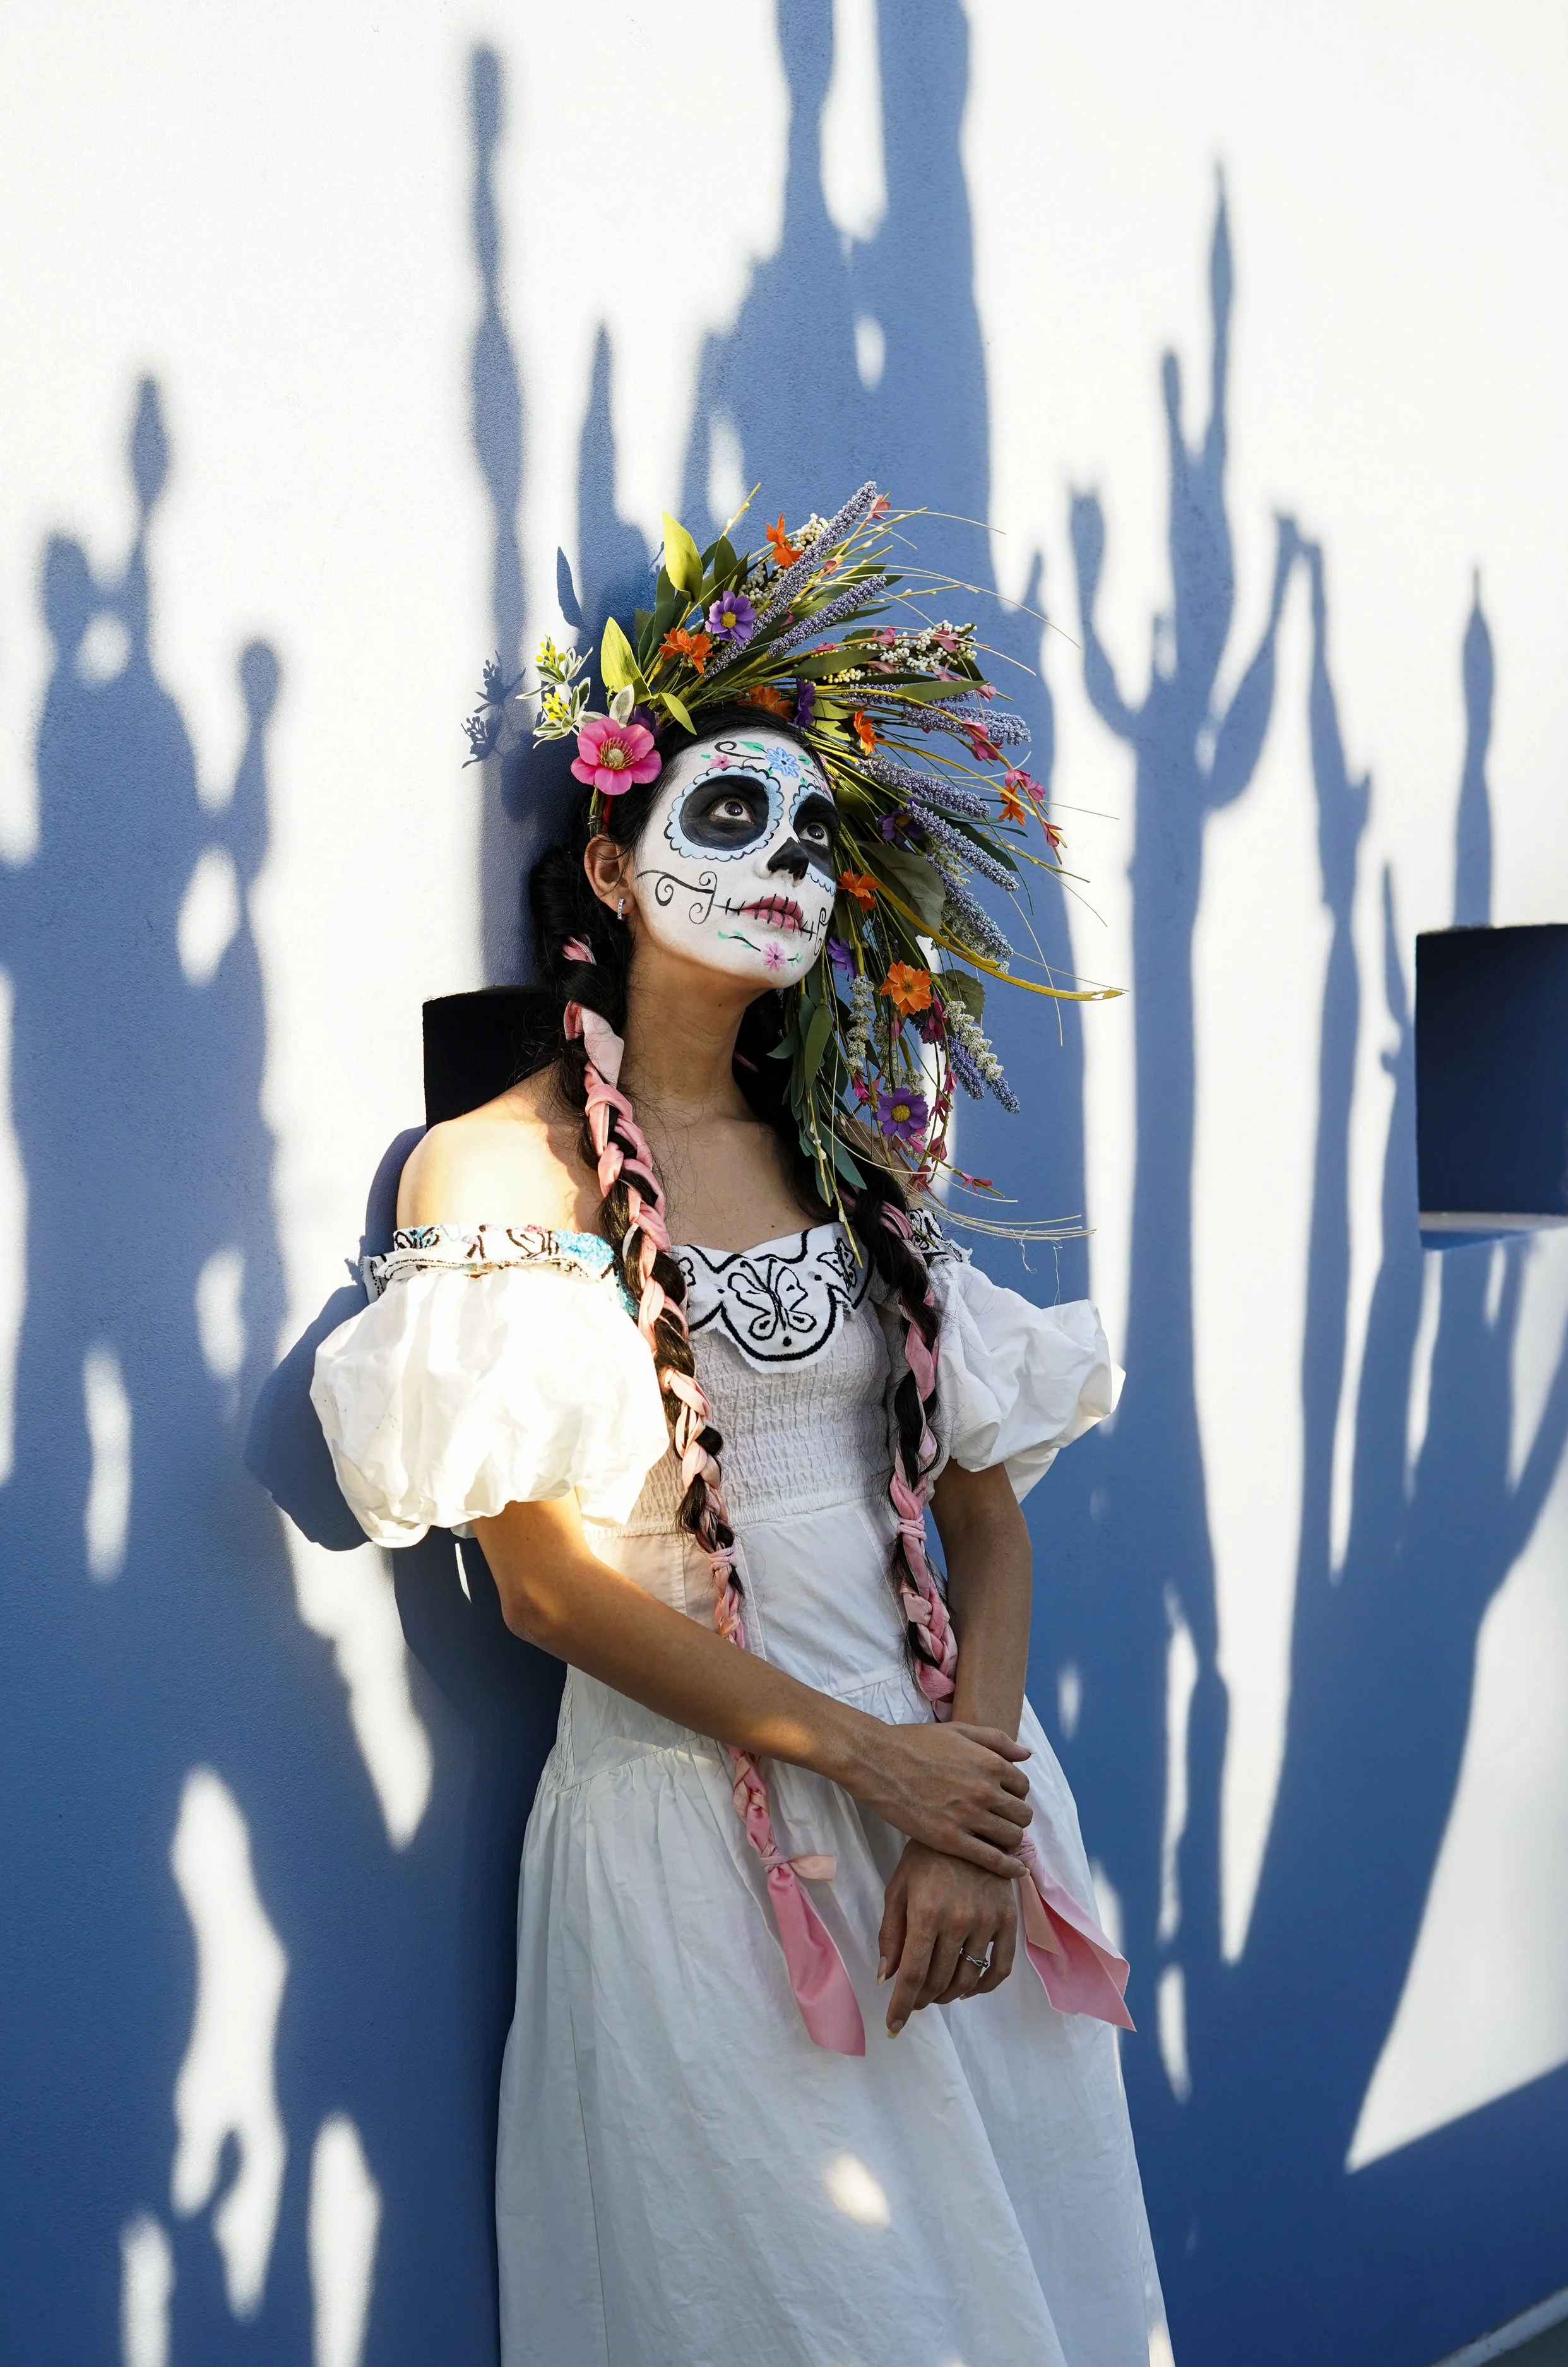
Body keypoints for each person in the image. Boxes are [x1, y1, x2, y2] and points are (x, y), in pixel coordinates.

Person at [312, 488, 1167, 2364]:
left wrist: (963, 1802)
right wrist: (873, 1767)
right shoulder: (497, 1165)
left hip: (951, 1802)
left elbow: (989, 1522)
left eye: (809, 833)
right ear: (609, 869)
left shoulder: (856, 1152)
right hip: (699, 1838)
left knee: (1020, 2292)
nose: (778, 861)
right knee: (802, 2308)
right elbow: (540, 1585)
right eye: (724, 814)